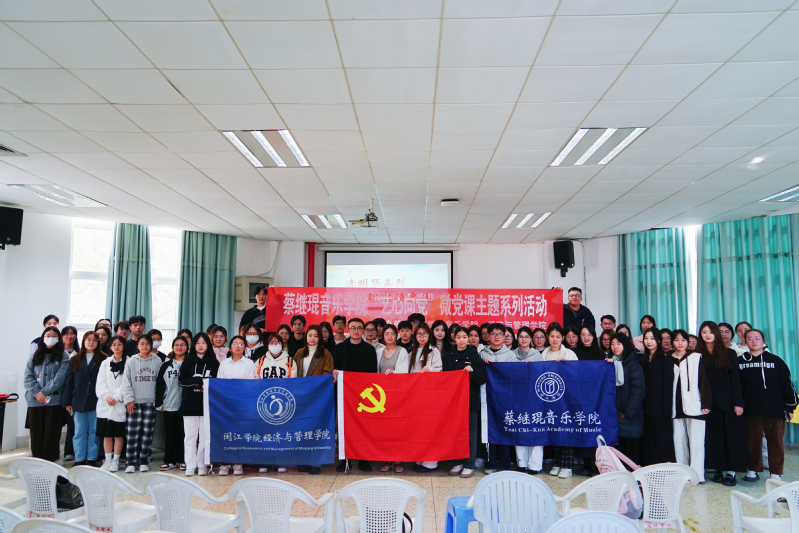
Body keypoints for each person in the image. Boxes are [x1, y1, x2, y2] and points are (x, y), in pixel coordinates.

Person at [739, 329, 797, 482]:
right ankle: (752, 469)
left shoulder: (776, 360)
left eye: (757, 338)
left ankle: (776, 472)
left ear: (763, 341)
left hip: (775, 408)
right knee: (752, 441)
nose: (754, 341)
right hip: (750, 409)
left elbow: (787, 384)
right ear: (745, 341)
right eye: (749, 338)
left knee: (776, 442)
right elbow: (735, 387)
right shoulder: (740, 361)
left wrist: (790, 406)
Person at [697, 321, 747, 487]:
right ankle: (717, 469)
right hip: (707, 403)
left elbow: (735, 380)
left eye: (711, 332)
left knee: (730, 437)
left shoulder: (729, 353)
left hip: (728, 402)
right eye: (704, 332)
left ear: (716, 334)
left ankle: (731, 472)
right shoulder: (698, 354)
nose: (707, 335)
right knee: (713, 438)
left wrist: (738, 403)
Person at [333, 318, 378, 472]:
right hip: (344, 394)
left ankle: (363, 459)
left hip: (364, 395)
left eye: (359, 328)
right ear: (348, 329)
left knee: (363, 427)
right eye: (353, 328)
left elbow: (373, 373)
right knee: (344, 427)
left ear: (363, 330)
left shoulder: (369, 350)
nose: (356, 331)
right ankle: (345, 459)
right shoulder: (339, 348)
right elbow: (335, 368)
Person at [443, 326, 487, 479]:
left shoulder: (474, 356)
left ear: (468, 339)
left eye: (464, 337)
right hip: (453, 402)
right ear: (454, 339)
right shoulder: (447, 356)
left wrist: (473, 370)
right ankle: (457, 462)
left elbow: (482, 378)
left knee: (470, 434)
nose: (461, 340)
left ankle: (469, 464)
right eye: (458, 337)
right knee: (455, 432)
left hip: (470, 401)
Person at [669, 329, 711, 483]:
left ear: (688, 342)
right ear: (672, 342)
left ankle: (698, 475)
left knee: (697, 442)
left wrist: (706, 402)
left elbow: (704, 381)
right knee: (679, 442)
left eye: (683, 340)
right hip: (675, 406)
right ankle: (683, 474)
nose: (680, 343)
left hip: (695, 405)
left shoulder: (696, 357)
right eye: (676, 340)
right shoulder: (667, 358)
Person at [293, 325, 334, 475]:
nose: (313, 338)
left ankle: (316, 461)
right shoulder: (299, 353)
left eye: (316, 336)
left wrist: (312, 386)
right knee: (302, 428)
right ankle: (303, 459)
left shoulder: (325, 354)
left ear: (320, 338)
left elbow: (327, 374)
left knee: (316, 428)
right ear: (306, 337)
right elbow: (293, 372)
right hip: (300, 395)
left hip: (318, 396)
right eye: (310, 335)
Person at [25, 326, 70, 461]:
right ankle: (37, 459)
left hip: (54, 400)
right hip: (35, 400)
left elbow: (60, 378)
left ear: (58, 338)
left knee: (52, 431)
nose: (50, 338)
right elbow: (28, 377)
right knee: (36, 431)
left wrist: (44, 392)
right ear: (43, 337)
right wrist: (37, 393)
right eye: (48, 336)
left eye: (54, 336)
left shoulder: (63, 355)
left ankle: (50, 459)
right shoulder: (35, 354)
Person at [120, 334, 162, 473]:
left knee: (147, 433)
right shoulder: (131, 361)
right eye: (142, 343)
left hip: (150, 402)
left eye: (147, 343)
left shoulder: (157, 360)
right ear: (137, 345)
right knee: (132, 433)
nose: (145, 346)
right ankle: (131, 462)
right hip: (134, 403)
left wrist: (158, 400)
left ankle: (143, 460)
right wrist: (129, 400)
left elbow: (160, 382)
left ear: (151, 345)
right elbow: (126, 382)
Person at [179, 332, 218, 477]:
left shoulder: (214, 362)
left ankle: (202, 465)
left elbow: (217, 383)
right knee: (190, 437)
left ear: (208, 345)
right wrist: (198, 380)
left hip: (207, 406)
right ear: (193, 345)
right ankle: (190, 465)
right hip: (189, 404)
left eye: (204, 342)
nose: (200, 345)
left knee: (204, 437)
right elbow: (181, 380)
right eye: (197, 343)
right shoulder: (188, 361)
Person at [216, 335, 255, 476]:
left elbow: (251, 383)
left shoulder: (249, 363)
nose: (238, 346)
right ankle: (225, 464)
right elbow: (220, 383)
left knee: (240, 433)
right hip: (226, 404)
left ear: (245, 347)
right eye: (235, 343)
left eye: (241, 344)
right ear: (230, 346)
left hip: (243, 403)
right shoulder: (224, 363)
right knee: (226, 433)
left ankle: (238, 464)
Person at [64, 331, 104, 467]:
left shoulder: (104, 358)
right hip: (78, 400)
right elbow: (69, 382)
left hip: (96, 400)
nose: (91, 342)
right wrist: (67, 401)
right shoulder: (75, 359)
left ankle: (92, 458)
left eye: (94, 340)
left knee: (94, 431)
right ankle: (80, 458)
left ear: (98, 343)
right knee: (79, 431)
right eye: (88, 339)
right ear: (83, 341)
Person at [408, 323, 444, 473]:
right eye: (419, 334)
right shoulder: (411, 351)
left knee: (430, 428)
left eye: (425, 334)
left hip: (430, 395)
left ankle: (430, 462)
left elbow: (439, 369)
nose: (422, 336)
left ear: (429, 336)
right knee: (418, 428)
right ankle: (419, 459)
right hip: (415, 395)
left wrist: (430, 369)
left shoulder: (434, 351)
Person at [375, 324, 410, 474]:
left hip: (397, 395)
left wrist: (392, 373)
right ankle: (387, 459)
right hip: (382, 396)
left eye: (392, 334)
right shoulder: (378, 351)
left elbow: (404, 372)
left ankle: (398, 460)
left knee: (398, 428)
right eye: (387, 333)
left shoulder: (402, 351)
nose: (390, 336)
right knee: (384, 429)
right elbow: (376, 373)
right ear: (383, 336)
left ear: (396, 336)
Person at [510, 326, 545, 474]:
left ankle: (535, 465)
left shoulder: (537, 355)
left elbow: (543, 375)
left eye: (527, 337)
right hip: (517, 397)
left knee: (535, 429)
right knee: (520, 429)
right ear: (517, 339)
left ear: (531, 339)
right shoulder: (512, 354)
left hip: (534, 398)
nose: (524, 339)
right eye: (521, 336)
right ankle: (522, 463)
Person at [481, 323, 514, 474]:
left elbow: (513, 375)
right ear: (488, 336)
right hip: (486, 397)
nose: (496, 337)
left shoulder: (510, 355)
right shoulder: (482, 354)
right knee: (488, 429)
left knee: (504, 428)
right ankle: (490, 463)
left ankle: (505, 463)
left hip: (504, 398)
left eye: (499, 334)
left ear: (504, 336)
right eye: (493, 334)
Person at [607, 334, 645, 464]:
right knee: (620, 452)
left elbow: (638, 390)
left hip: (629, 415)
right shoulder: (613, 362)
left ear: (625, 345)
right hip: (617, 414)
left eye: (618, 344)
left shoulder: (632, 364)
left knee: (630, 453)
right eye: (613, 344)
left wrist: (629, 411)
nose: (615, 347)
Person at [641, 328, 676, 466]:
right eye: (646, 338)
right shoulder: (642, 359)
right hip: (645, 406)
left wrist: (666, 411)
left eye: (652, 338)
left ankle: (664, 468)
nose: (649, 341)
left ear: (659, 341)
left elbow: (668, 388)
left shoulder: (665, 361)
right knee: (648, 440)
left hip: (660, 407)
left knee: (661, 440)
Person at [95, 335, 128, 472]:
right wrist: (107, 396)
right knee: (107, 434)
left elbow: (127, 383)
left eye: (119, 344)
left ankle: (116, 461)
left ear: (124, 346)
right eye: (114, 344)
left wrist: (116, 397)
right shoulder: (105, 363)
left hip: (119, 403)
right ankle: (107, 460)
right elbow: (100, 382)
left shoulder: (129, 362)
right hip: (105, 404)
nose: (116, 347)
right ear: (110, 347)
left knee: (118, 435)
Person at [155, 336, 187, 472]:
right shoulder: (166, 365)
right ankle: (170, 461)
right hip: (170, 404)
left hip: (187, 406)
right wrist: (159, 403)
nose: (179, 347)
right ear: (173, 347)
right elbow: (159, 385)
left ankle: (184, 460)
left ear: (187, 347)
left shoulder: (190, 364)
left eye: (182, 344)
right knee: (171, 434)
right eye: (177, 345)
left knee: (185, 434)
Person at [61, 325, 78, 461]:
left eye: (72, 334)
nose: (69, 336)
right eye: (66, 334)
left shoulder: (79, 354)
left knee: (72, 424)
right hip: (55, 394)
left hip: (71, 395)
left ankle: (69, 451)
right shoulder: (56, 353)